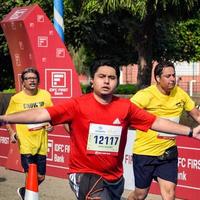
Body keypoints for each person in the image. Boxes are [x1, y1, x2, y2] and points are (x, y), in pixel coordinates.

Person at [1, 59, 200, 200]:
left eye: (112, 77)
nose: (106, 81)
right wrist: (4, 118)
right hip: (84, 173)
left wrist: (190, 131)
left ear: (117, 81)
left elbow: (156, 122)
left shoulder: (125, 107)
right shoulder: (77, 105)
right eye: (102, 76)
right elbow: (39, 114)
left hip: (114, 178)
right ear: (92, 80)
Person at [128, 61, 200, 200]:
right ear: (157, 78)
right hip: (145, 153)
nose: (172, 79)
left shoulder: (180, 94)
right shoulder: (145, 95)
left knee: (169, 194)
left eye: (174, 75)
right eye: (168, 76)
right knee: (140, 194)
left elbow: (197, 115)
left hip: (168, 154)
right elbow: (126, 112)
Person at [5, 67, 53, 200]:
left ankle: (24, 191)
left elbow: (52, 115)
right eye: (28, 78)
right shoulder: (17, 99)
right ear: (23, 82)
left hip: (41, 144)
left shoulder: (45, 95)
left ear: (38, 80)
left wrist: (50, 125)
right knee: (30, 174)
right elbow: (7, 119)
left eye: (34, 78)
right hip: (25, 144)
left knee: (41, 177)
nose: (31, 80)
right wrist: (11, 133)